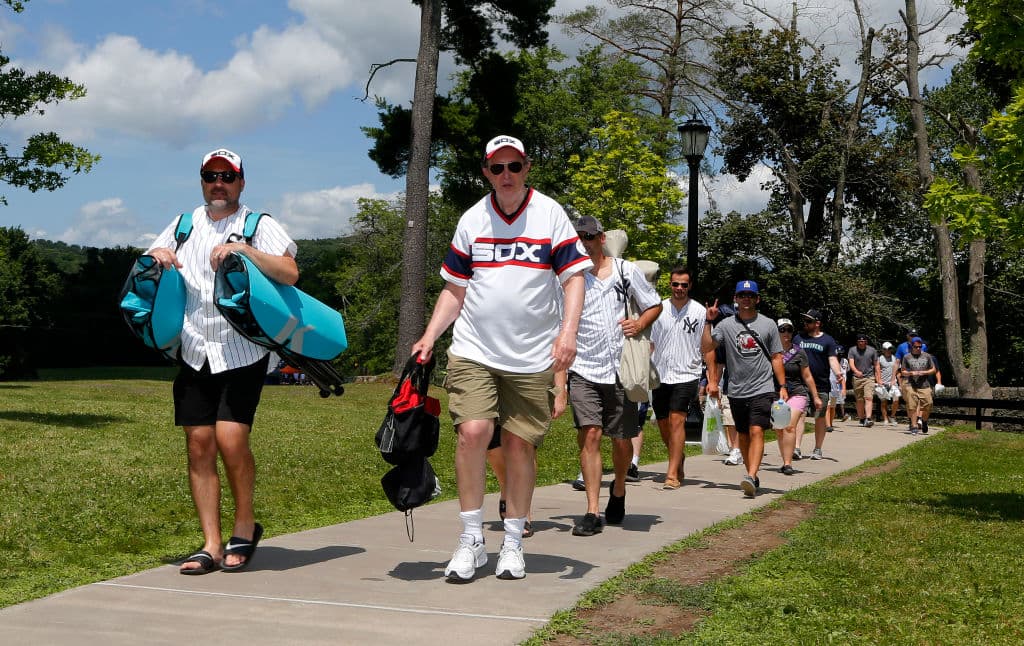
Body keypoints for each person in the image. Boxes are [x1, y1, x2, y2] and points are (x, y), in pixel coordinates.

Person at [411, 135, 589, 582]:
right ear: (486, 172)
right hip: (475, 350)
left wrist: (568, 334)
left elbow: (574, 279)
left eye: (514, 166)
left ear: (527, 167)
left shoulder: (549, 214)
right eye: (497, 168)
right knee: (473, 432)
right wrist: (431, 334)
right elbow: (455, 288)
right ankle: (471, 538)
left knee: (517, 446)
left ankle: (512, 541)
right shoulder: (473, 219)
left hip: (532, 356)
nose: (506, 175)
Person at [146, 148, 298, 575]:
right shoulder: (183, 224)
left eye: (227, 177)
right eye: (210, 176)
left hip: (242, 348)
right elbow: (152, 258)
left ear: (241, 182)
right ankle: (211, 544)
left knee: (231, 439)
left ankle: (245, 525)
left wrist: (245, 251)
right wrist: (158, 256)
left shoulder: (257, 224)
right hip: (194, 347)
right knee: (199, 445)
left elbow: (289, 271)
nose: (219, 183)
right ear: (201, 181)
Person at [567, 216, 662, 536]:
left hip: (620, 369)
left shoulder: (625, 270)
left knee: (621, 440)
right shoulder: (570, 274)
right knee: (590, 434)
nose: (585, 242)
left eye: (590, 236)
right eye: (579, 237)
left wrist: (639, 323)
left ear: (601, 238)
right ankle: (592, 511)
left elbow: (653, 305)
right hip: (582, 367)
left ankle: (618, 487)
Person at [702, 280, 787, 498]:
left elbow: (777, 357)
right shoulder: (726, 325)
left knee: (756, 430)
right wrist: (707, 321)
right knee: (744, 435)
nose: (746, 299)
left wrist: (783, 386)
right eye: (742, 295)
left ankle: (750, 475)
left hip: (763, 387)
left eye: (750, 295)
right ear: (736, 299)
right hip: (737, 389)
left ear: (757, 299)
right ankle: (753, 476)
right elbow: (707, 347)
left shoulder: (768, 324)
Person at [649, 267, 707, 490]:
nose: (679, 289)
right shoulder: (658, 309)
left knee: (676, 420)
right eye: (676, 284)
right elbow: (650, 343)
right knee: (663, 424)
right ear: (670, 285)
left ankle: (672, 473)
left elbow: (707, 347)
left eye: (684, 285)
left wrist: (711, 379)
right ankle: (678, 456)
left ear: (689, 286)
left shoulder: (700, 312)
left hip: (687, 373)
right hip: (660, 373)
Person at [794, 309, 844, 459]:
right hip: (801, 384)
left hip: (821, 384)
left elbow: (832, 359)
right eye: (805, 321)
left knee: (819, 417)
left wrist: (838, 373)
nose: (805, 323)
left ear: (817, 323)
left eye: (809, 321)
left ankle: (817, 449)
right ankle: (796, 447)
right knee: (800, 414)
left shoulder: (827, 340)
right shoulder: (798, 338)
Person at [776, 318, 822, 474]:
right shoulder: (771, 352)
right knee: (779, 429)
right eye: (782, 329)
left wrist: (815, 396)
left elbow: (807, 376)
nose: (786, 333)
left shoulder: (799, 352)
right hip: (777, 395)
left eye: (789, 329)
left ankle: (788, 464)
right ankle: (784, 460)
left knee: (789, 426)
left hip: (797, 393)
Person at [900, 336, 936, 434]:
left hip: (924, 384)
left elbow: (933, 369)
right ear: (912, 347)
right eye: (916, 347)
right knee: (912, 405)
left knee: (929, 404)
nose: (918, 348)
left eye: (920, 346)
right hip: (910, 384)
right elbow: (902, 371)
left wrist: (925, 372)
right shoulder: (906, 357)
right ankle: (914, 425)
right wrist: (911, 373)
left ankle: (924, 421)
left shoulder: (927, 356)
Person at [847, 334, 878, 427]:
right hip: (857, 378)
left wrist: (878, 378)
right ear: (857, 342)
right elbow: (851, 363)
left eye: (863, 341)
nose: (861, 343)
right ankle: (861, 418)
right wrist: (856, 371)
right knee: (859, 400)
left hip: (869, 377)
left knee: (869, 397)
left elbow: (876, 364)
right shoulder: (852, 350)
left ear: (866, 342)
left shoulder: (872, 350)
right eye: (860, 341)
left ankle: (868, 418)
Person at [877, 341, 900, 425]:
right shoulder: (879, 359)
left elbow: (898, 372)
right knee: (884, 402)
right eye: (886, 349)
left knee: (896, 400)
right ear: (883, 350)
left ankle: (892, 416)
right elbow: (877, 371)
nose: (888, 350)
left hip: (893, 383)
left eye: (889, 348)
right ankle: (885, 419)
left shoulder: (895, 358)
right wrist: (878, 380)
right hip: (883, 383)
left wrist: (899, 383)